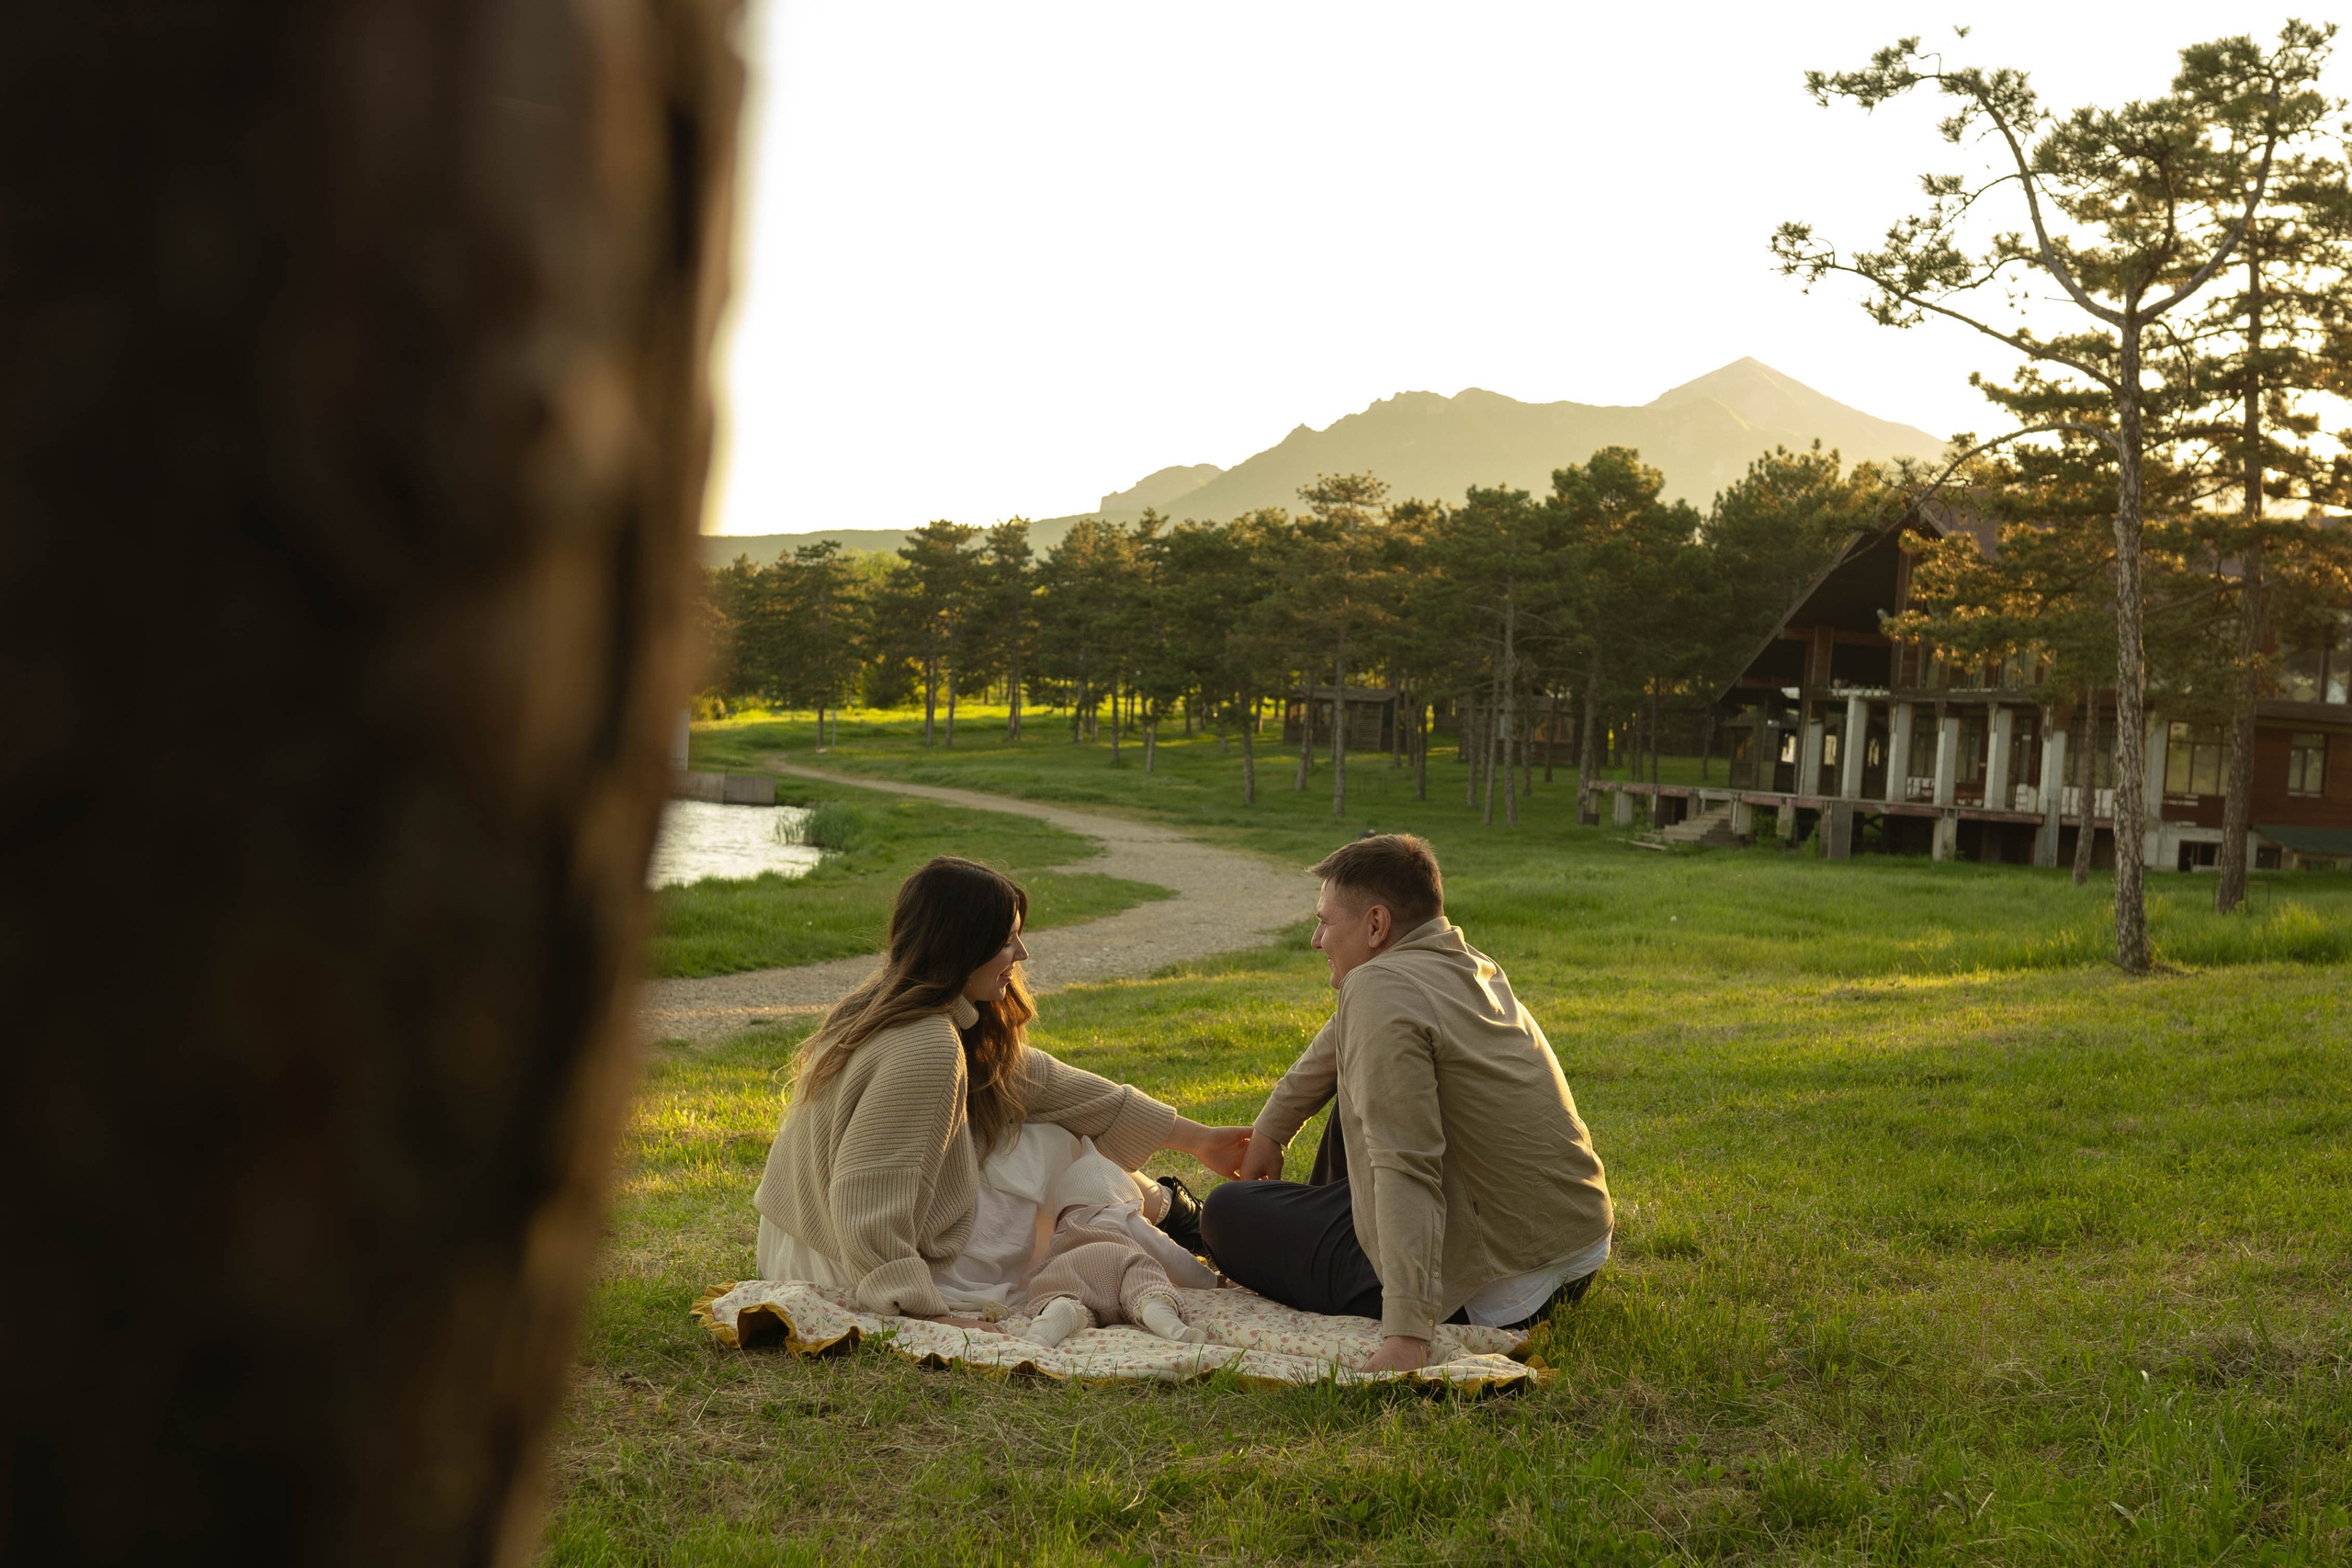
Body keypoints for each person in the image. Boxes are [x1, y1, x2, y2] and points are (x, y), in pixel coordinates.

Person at [752, 855, 1251, 1333]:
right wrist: (924, 1311)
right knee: (1062, 1150)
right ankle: (1197, 1249)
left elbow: (1044, 1083)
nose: (1022, 954)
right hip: (847, 1264)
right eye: (1009, 939)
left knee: (1041, 1132)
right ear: (964, 945)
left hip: (800, 1239)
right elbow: (869, 1190)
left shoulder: (888, 1003)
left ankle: (1180, 1219)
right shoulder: (926, 1043)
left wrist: (1198, 1138)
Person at [1198, 834, 1612, 1373]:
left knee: (1226, 1214)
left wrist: (1407, 1334)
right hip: (1574, 1253)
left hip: (1498, 1290)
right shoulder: (1461, 963)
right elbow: (1335, 1044)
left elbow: (1406, 1161)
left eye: (1325, 921)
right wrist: (1272, 1130)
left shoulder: (1378, 988)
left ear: (1376, 926)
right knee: (1354, 1092)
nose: (1316, 938)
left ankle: (1357, 1271)